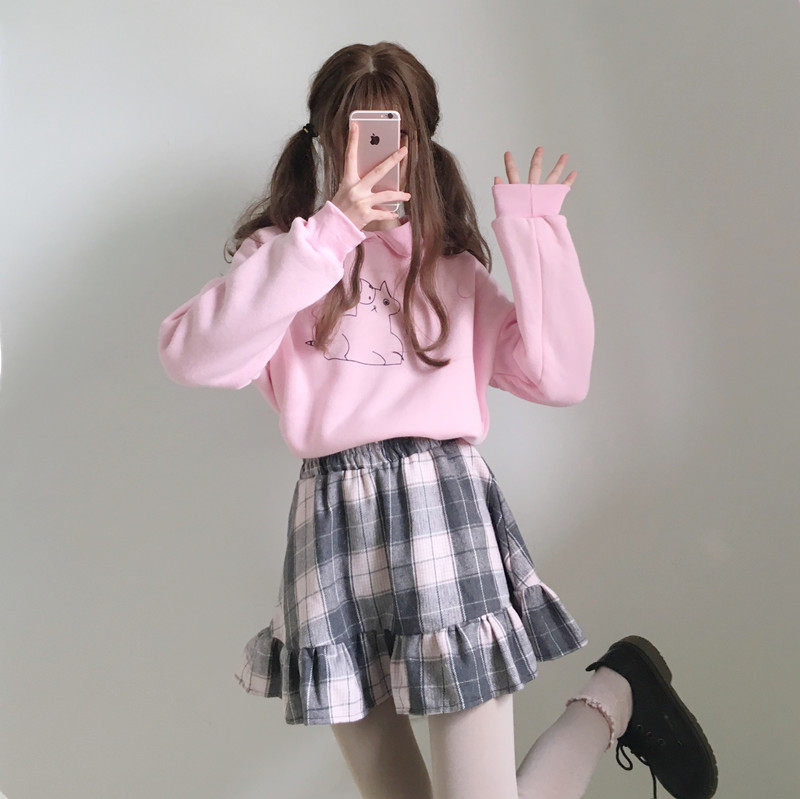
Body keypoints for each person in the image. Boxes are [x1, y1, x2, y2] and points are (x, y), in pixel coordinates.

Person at [157, 40, 717, 799]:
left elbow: (560, 377)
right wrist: (330, 232)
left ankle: (612, 698)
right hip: (329, 525)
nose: (375, 156)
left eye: (391, 132)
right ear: (327, 141)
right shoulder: (285, 257)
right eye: (357, 135)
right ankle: (624, 687)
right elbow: (195, 357)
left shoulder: (449, 265)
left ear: (417, 141)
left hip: (439, 514)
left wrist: (535, 232)